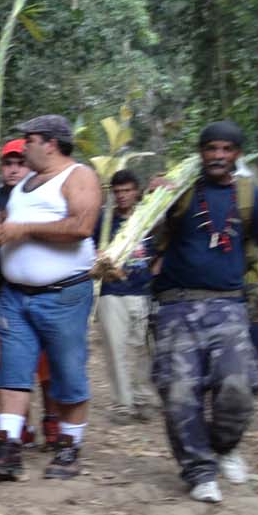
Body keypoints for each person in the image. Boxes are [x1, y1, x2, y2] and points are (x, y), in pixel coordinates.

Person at [149, 121, 258, 503]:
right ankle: (199, 471)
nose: (218, 156)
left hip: (229, 305)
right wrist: (152, 199)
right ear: (201, 152)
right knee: (179, 391)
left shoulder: (253, 196)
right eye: (211, 149)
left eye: (226, 149)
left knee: (239, 383)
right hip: (175, 305)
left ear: (237, 153)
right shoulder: (180, 190)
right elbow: (144, 235)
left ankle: (222, 448)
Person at [0, 115, 101, 481]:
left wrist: (22, 228)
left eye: (28, 140)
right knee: (12, 372)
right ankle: (9, 446)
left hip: (62, 294)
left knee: (66, 371)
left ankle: (69, 448)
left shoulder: (79, 176)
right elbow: (19, 226)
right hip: (15, 295)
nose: (23, 147)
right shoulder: (26, 182)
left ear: (50, 143)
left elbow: (80, 227)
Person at [0, 139, 58, 447]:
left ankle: (53, 421)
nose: (14, 168)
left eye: (20, 162)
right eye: (8, 163)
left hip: (40, 292)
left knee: (46, 364)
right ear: (2, 166)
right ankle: (20, 426)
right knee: (1, 364)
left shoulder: (42, 196)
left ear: (29, 163)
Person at [96, 169, 156, 422]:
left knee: (146, 349)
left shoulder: (150, 217)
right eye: (117, 192)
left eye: (127, 191)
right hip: (112, 293)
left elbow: (162, 248)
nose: (122, 196)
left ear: (136, 191)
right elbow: (92, 251)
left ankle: (143, 398)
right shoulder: (104, 221)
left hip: (144, 291)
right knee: (115, 348)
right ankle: (123, 404)